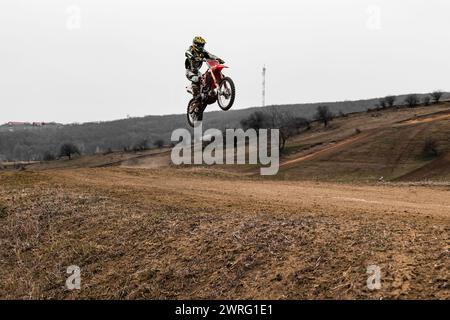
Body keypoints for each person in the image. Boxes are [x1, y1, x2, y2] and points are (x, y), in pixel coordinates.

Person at [185, 36, 224, 112]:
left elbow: (210, 55)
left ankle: (205, 93)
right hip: (190, 71)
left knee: (204, 78)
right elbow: (187, 53)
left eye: (202, 45)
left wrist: (218, 59)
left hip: (197, 72)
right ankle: (196, 98)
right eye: (199, 45)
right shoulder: (191, 49)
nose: (201, 47)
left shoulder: (203, 52)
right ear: (195, 44)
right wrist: (192, 57)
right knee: (197, 79)